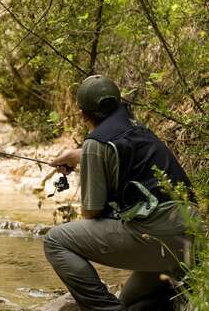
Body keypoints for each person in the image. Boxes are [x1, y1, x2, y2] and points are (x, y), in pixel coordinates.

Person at [43, 75, 196, 311]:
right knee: (128, 300)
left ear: (83, 114)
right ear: (118, 103)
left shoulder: (96, 144)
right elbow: (120, 150)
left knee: (55, 240)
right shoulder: (140, 129)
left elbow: (91, 212)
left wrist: (88, 163)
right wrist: (81, 155)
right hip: (191, 239)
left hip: (158, 236)